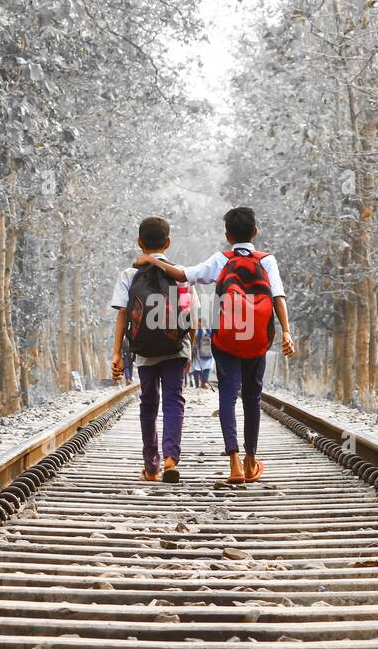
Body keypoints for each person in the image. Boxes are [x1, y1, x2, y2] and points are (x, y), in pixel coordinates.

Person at [134, 207, 294, 485]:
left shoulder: (221, 259)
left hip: (226, 339)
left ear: (227, 235)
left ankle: (233, 462)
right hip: (256, 340)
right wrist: (287, 332)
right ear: (255, 232)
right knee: (252, 399)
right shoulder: (267, 261)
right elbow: (278, 296)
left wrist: (155, 262)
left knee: (227, 397)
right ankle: (251, 460)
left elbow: (185, 275)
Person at [110, 217, 189, 483]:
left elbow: (123, 314)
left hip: (144, 351)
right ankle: (170, 459)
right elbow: (191, 315)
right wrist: (186, 351)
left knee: (149, 403)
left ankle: (151, 466)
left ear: (139, 242)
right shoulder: (179, 273)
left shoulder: (129, 275)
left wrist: (117, 354)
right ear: (168, 243)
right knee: (173, 401)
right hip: (175, 350)